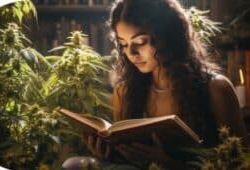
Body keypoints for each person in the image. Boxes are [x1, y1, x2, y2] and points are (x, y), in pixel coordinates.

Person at [63, 0, 249, 169]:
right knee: (72, 164)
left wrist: (169, 165)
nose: (132, 53)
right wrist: (109, 153)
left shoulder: (215, 88)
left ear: (167, 37)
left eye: (140, 42)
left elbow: (241, 161)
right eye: (124, 44)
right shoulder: (125, 90)